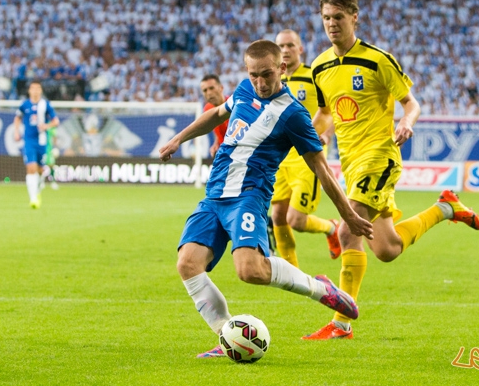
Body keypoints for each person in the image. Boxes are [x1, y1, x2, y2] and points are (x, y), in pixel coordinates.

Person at [159, 40, 374, 358]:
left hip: (249, 197)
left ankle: (321, 288)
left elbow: (321, 168)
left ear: (282, 69)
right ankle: (227, 337)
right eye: (253, 74)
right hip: (214, 196)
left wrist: (349, 214)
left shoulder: (293, 115)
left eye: (266, 74)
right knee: (187, 264)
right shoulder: (244, 89)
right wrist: (178, 138)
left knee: (250, 271)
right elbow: (218, 114)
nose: (259, 82)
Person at [303, 0, 479, 341]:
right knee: (386, 249)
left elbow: (411, 102)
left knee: (347, 228)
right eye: (326, 18)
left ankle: (341, 323)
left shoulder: (378, 59)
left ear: (354, 17)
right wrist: (315, 133)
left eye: (338, 17)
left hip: (380, 155)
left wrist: (406, 121)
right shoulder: (320, 66)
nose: (332, 24)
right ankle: (445, 208)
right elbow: (325, 112)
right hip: (351, 163)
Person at [271, 29, 342, 267]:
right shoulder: (272, 80)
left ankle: (331, 227)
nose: (285, 50)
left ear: (300, 49)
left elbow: (333, 109)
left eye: (290, 45)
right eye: (280, 46)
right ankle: (292, 272)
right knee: (278, 216)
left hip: (306, 158)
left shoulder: (314, 75)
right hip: (280, 158)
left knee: (296, 220)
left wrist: (327, 133)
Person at [13, 81, 60, 209]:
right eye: (32, 88)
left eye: (37, 88)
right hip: (29, 141)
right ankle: (33, 198)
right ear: (29, 91)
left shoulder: (46, 105)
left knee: (39, 170)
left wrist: (47, 125)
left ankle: (38, 189)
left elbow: (56, 121)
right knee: (30, 167)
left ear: (41, 91)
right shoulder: (24, 104)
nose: (35, 91)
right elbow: (17, 117)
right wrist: (16, 132)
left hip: (42, 142)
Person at [199, 74, 229, 158]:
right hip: (225, 154)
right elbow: (217, 126)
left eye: (211, 88)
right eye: (205, 90)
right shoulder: (207, 108)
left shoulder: (234, 106)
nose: (209, 93)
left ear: (221, 88)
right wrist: (216, 143)